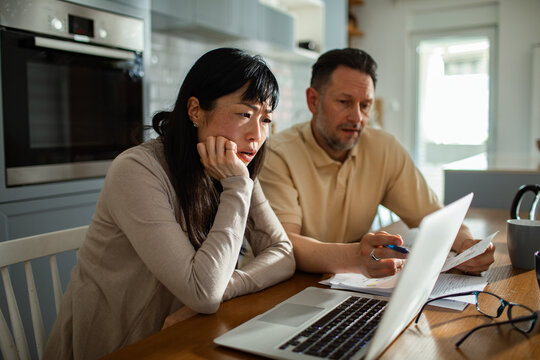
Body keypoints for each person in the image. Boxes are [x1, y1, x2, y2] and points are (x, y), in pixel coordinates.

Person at [43, 48, 295, 359]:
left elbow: (283, 254)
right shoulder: (137, 169)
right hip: (117, 347)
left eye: (266, 119)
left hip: (183, 337)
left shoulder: (234, 169)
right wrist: (236, 186)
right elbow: (204, 295)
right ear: (195, 110)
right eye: (245, 114)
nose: (256, 134)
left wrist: (227, 286)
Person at [258, 48, 494, 279]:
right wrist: (356, 258)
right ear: (313, 100)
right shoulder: (277, 154)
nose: (357, 117)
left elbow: (436, 218)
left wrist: (468, 245)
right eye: (344, 102)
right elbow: (284, 246)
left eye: (365, 105)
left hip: (345, 283)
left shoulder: (384, 148)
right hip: (280, 286)